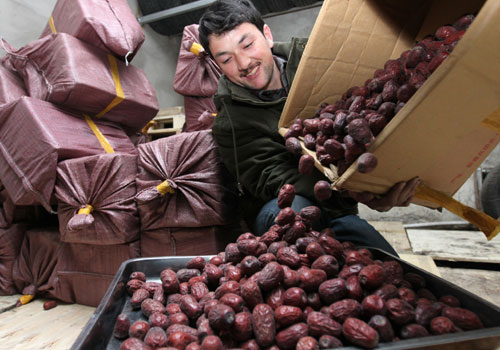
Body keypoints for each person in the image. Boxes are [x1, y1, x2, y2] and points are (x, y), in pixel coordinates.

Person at [198, 0, 419, 256]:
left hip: (339, 212)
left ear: (267, 35)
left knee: (389, 265)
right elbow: (274, 179)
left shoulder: (313, 60)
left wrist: (378, 184)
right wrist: (352, 189)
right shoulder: (231, 123)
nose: (244, 62)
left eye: (248, 45)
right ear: (217, 64)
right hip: (290, 209)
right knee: (285, 212)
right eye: (226, 59)